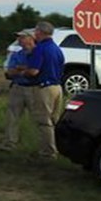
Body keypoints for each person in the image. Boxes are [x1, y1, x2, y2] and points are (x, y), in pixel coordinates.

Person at [25, 21, 66, 159]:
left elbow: (34, 71)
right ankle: (56, 147)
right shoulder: (57, 49)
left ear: (39, 32)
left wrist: (23, 72)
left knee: (44, 120)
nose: (34, 34)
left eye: (35, 31)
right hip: (57, 87)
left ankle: (47, 152)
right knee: (54, 119)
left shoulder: (40, 48)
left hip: (44, 87)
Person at [0, 30, 39, 151]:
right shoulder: (17, 54)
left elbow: (35, 71)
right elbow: (9, 72)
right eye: (19, 38)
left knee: (37, 117)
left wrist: (20, 69)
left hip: (34, 88)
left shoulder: (38, 53)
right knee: (12, 116)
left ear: (31, 38)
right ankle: (10, 143)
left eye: (22, 37)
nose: (19, 40)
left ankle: (37, 144)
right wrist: (23, 70)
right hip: (18, 86)